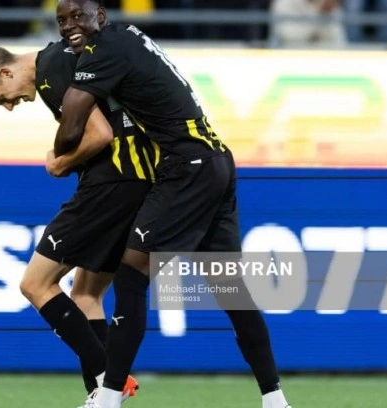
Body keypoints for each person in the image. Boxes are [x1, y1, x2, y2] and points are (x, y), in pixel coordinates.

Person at [52, 1, 292, 407]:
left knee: (131, 273)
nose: (69, 26)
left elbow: (73, 122)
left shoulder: (102, 50)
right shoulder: (129, 37)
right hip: (217, 160)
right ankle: (275, 399)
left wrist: (56, 155)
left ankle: (108, 397)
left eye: (78, 16)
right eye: (61, 20)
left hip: (187, 166)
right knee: (230, 289)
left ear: (101, 17)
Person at [0, 0, 155, 399]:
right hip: (136, 180)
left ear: (5, 71)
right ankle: (102, 398)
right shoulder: (68, 56)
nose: (10, 106)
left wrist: (61, 162)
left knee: (35, 284)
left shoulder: (52, 68)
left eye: (2, 98)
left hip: (111, 183)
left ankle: (111, 378)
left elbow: (100, 134)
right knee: (87, 295)